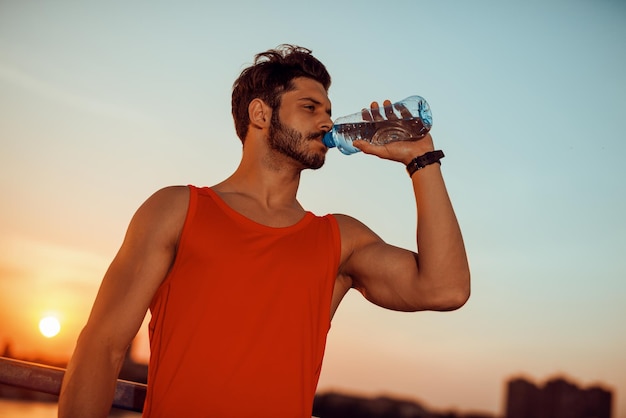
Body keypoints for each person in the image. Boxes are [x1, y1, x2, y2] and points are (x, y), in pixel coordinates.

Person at [58, 44, 470, 418]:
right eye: (310, 107)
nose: (327, 119)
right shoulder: (176, 210)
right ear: (260, 114)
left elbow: (445, 288)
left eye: (328, 109)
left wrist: (422, 159)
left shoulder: (340, 239)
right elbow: (103, 347)